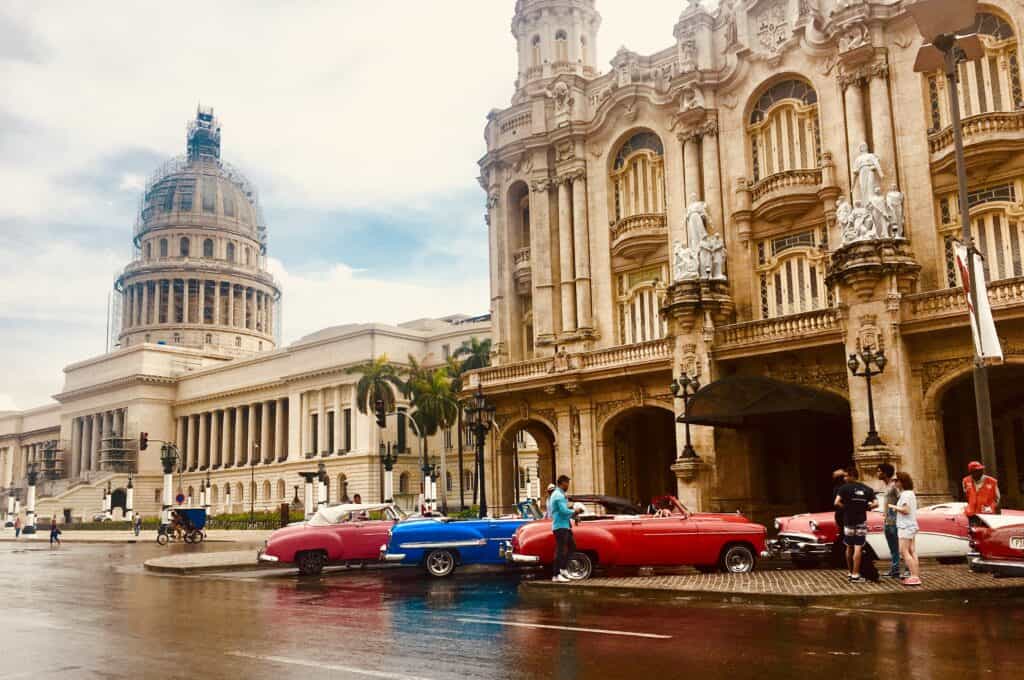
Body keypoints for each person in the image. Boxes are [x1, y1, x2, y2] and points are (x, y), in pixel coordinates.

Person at [835, 467, 878, 583]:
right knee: (858, 547)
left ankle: (850, 572)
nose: (844, 478)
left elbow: (836, 502)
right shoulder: (867, 489)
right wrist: (866, 507)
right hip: (861, 521)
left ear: (852, 476)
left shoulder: (843, 488)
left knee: (849, 546)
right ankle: (855, 574)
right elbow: (876, 504)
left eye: (846, 476)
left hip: (848, 521)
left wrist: (846, 508)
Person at [549, 475, 581, 583]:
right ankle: (556, 575)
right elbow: (563, 511)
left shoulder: (560, 494)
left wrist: (573, 516)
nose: (568, 485)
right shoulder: (558, 495)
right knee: (560, 551)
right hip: (560, 526)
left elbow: (564, 511)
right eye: (567, 483)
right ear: (562, 483)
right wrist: (575, 511)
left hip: (564, 526)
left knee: (572, 547)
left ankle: (562, 569)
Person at [877, 464, 904, 578]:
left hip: (895, 520)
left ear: (885, 473)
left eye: (879, 471)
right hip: (888, 520)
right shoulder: (887, 486)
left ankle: (908, 569)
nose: (877, 473)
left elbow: (902, 499)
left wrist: (895, 512)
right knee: (893, 547)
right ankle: (895, 569)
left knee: (901, 547)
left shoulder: (894, 485)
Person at [895, 472, 921, 586]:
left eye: (897, 480)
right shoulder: (910, 493)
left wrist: (894, 507)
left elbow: (906, 510)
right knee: (911, 551)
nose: (895, 483)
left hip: (905, 526)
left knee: (904, 551)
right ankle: (915, 575)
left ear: (902, 482)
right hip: (911, 525)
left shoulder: (905, 495)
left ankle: (914, 576)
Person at [962, 461, 1000, 525]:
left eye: (981, 470)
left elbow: (997, 498)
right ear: (971, 472)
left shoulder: (992, 481)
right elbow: (966, 496)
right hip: (972, 514)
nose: (980, 472)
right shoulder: (965, 481)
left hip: (987, 514)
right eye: (977, 471)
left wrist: (991, 508)